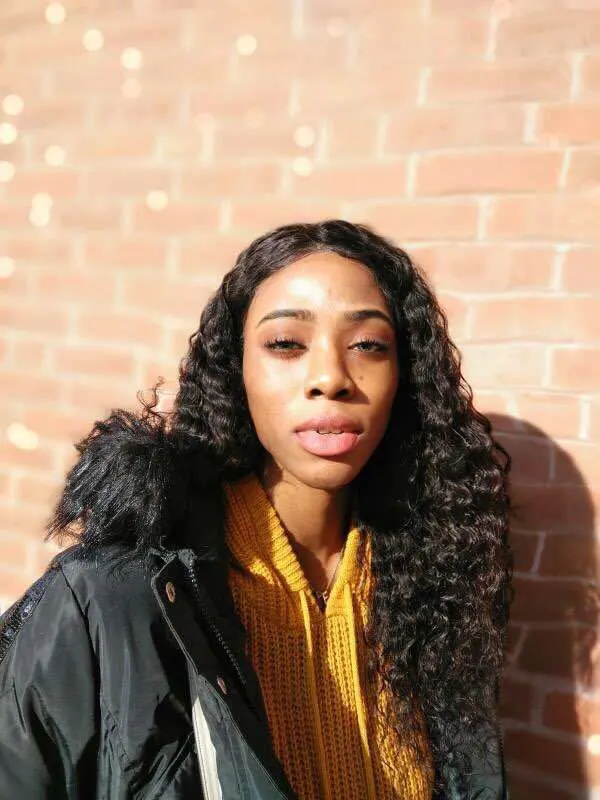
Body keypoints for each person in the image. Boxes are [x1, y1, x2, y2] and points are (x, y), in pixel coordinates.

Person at [0, 220, 512, 799]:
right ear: (236, 369)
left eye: (368, 345)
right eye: (287, 344)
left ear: (405, 376)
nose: (330, 378)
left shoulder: (439, 587)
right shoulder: (112, 597)